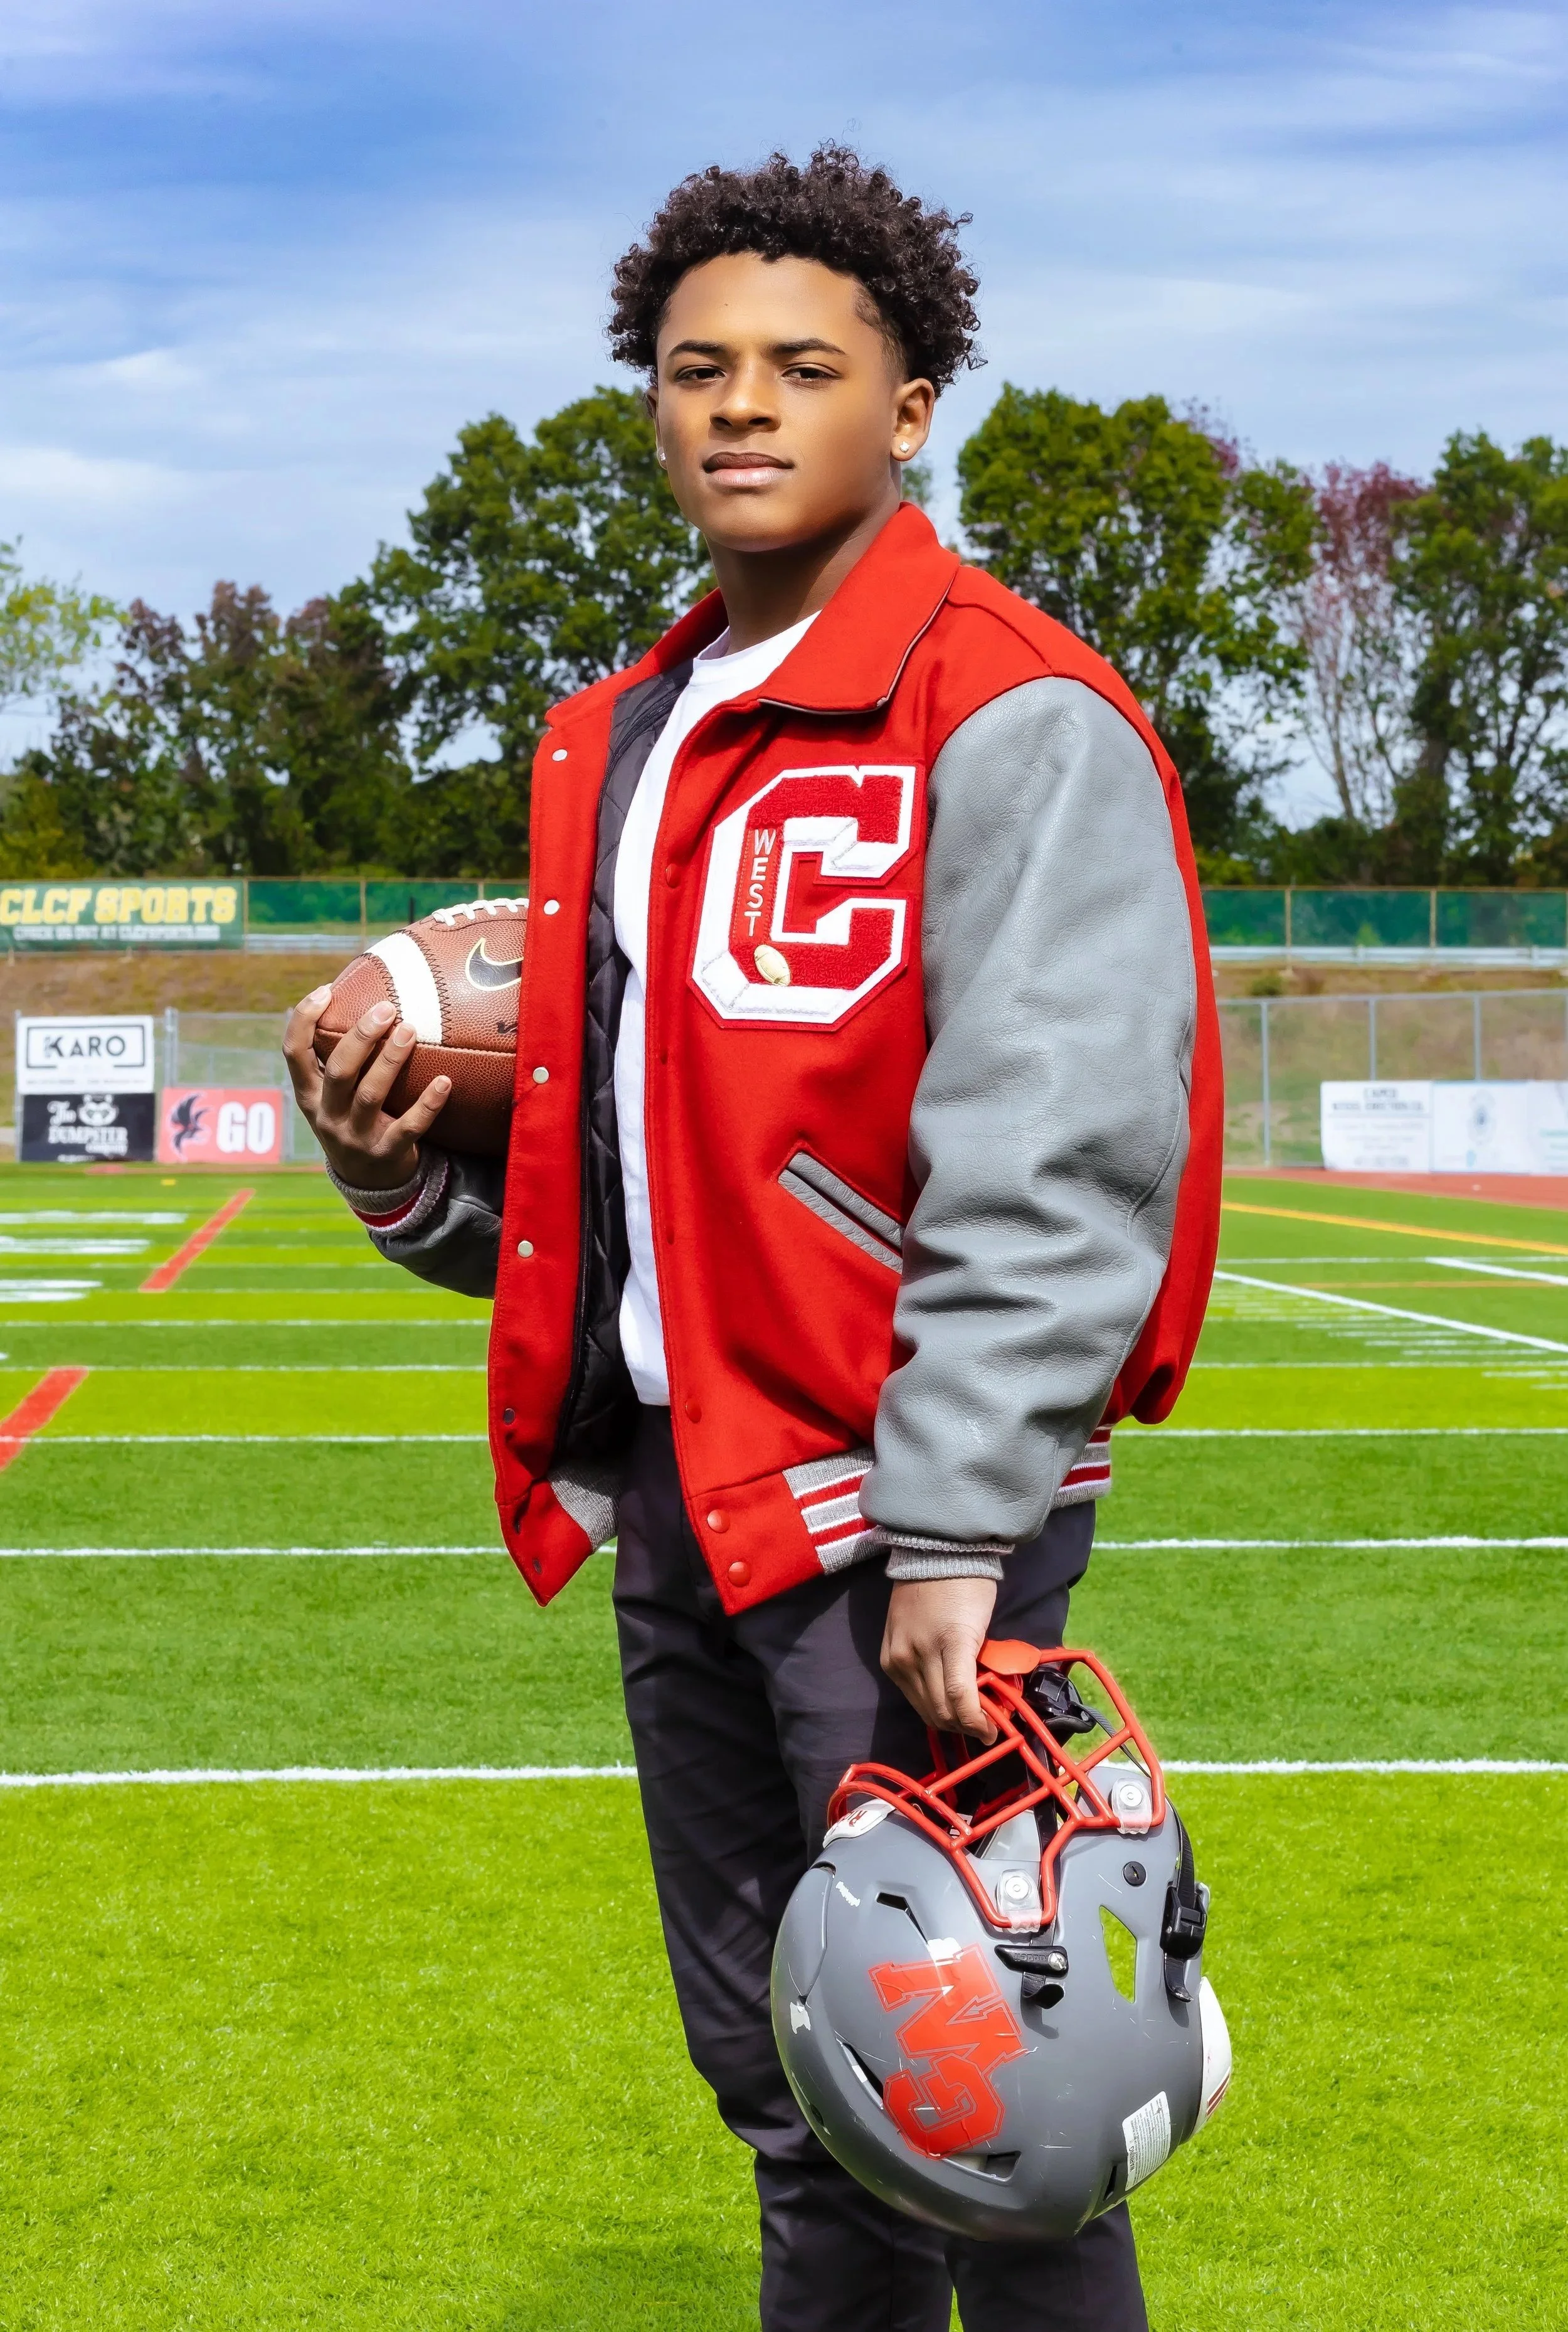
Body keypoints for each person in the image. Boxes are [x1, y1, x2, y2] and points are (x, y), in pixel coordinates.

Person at [284, 144, 1221, 2332]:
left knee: (999, 2123)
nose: (741, 404)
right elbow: (629, 1188)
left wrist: (958, 1532)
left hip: (898, 1527)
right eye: (695, 367)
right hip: (682, 1504)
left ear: (910, 411)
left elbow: (1062, 1153)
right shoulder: (622, 730)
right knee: (808, 2102)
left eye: (805, 367)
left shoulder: (1008, 708)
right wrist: (397, 1168)